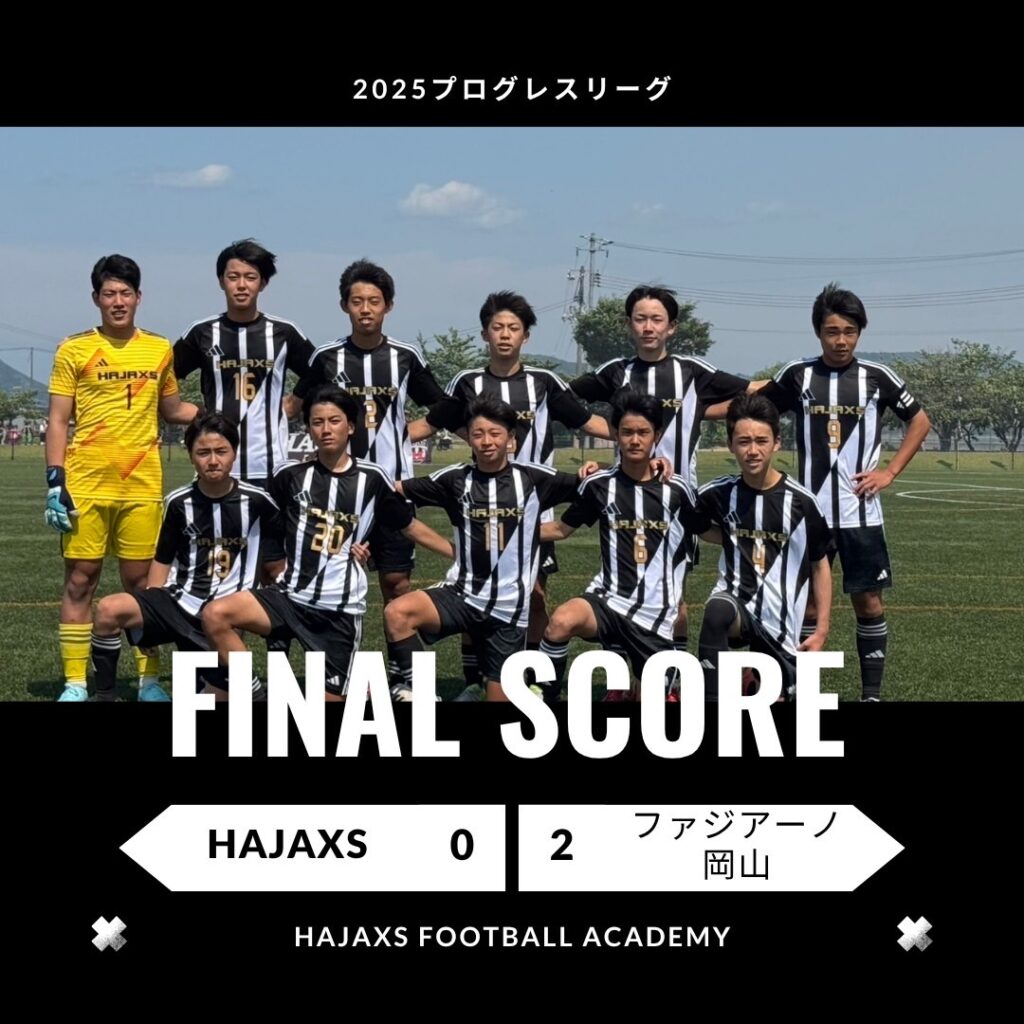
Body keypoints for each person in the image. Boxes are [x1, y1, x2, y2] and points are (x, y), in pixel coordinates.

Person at [412, 290, 612, 696]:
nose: (505, 334)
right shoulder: (467, 382)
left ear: (526, 336)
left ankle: (529, 678)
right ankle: (474, 682)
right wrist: (361, 443)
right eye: (497, 327)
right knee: (472, 591)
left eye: (514, 328)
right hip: (479, 506)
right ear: (485, 333)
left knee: (535, 595)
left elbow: (588, 422)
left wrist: (642, 442)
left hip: (532, 506)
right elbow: (429, 424)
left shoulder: (545, 382)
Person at [200, 386, 452, 700]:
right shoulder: (289, 475)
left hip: (338, 610)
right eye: (317, 422)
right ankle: (256, 695)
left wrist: (457, 553)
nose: (326, 429)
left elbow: (407, 526)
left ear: (351, 426)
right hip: (290, 597)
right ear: (309, 429)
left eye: (334, 421)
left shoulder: (373, 478)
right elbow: (261, 520)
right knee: (216, 614)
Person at [758, 283, 931, 701]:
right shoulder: (798, 375)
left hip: (861, 513)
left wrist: (889, 472)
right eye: (832, 331)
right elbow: (757, 413)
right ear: (818, 332)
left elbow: (920, 420)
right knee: (806, 605)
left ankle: (870, 695)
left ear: (860, 332)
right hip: (808, 515)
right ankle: (798, 692)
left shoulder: (878, 377)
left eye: (850, 331)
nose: (841, 340)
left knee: (868, 602)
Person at [569, 284, 762, 654]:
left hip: (677, 502)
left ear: (671, 327)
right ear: (629, 324)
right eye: (640, 319)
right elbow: (565, 399)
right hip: (623, 499)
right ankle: (627, 674)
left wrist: (702, 412)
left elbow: (751, 391)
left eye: (656, 320)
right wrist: (610, 435)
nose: (648, 327)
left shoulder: (692, 372)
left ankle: (672, 674)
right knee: (619, 590)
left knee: (674, 594)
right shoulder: (615, 372)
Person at [46, 254, 199, 702]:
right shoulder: (73, 349)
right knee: (81, 580)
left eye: (125, 293)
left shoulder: (159, 348)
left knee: (143, 586)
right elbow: (58, 420)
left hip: (142, 486)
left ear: (138, 297)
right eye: (109, 293)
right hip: (86, 485)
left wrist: (224, 413)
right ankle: (76, 682)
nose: (118, 301)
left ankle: (149, 681)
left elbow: (172, 409)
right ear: (96, 298)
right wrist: (55, 481)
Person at [383, 395, 584, 702]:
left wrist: (593, 471)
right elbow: (388, 491)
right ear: (469, 439)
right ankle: (424, 696)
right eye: (478, 434)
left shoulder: (533, 479)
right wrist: (445, 547)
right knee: (397, 613)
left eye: (495, 433)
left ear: (511, 439)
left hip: (508, 613)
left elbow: (594, 486)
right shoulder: (454, 479)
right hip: (462, 596)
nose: (486, 441)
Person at [89, 412, 284, 700]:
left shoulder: (258, 502)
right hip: (180, 603)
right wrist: (150, 616)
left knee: (206, 701)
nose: (213, 460)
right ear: (191, 456)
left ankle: (250, 690)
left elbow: (277, 563)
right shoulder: (178, 502)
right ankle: (105, 696)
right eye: (203, 453)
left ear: (234, 453)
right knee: (108, 609)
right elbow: (162, 560)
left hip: (225, 615)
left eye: (221, 451)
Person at [294, 259, 447, 607]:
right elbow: (298, 407)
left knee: (396, 583)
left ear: (388, 306)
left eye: (374, 301)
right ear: (344, 305)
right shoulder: (326, 357)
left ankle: (399, 645)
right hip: (337, 489)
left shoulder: (405, 356)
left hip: (393, 485)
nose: (365, 309)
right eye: (357, 301)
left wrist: (404, 434)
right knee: (330, 577)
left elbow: (440, 407)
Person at [539, 390, 709, 700]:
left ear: (657, 435)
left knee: (650, 707)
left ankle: (666, 683)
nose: (635, 440)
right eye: (627, 432)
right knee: (561, 621)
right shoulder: (599, 485)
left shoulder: (677, 489)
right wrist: (509, 530)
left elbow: (707, 531)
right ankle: (543, 700)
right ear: (616, 435)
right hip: (609, 601)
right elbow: (561, 529)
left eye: (643, 432)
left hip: (655, 617)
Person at [695, 393, 832, 701]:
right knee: (717, 610)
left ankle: (752, 678)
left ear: (776, 443)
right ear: (731, 444)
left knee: (777, 704)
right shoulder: (718, 493)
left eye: (761, 441)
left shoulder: (802, 503)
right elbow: (692, 519)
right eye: (743, 442)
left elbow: (820, 565)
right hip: (738, 605)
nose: (753, 450)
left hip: (780, 622)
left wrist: (821, 629)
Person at [173, 239, 316, 491]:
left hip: (272, 465)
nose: (241, 285)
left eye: (250, 277)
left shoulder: (284, 332)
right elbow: (165, 376)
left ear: (263, 283)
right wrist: (195, 413)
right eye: (233, 277)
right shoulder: (202, 332)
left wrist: (294, 403)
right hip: (216, 466)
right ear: (221, 281)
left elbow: (319, 371)